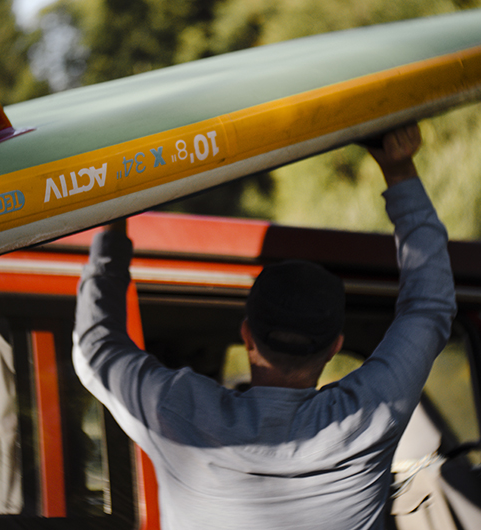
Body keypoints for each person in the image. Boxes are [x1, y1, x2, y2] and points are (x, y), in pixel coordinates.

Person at [73, 123, 456, 529]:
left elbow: (94, 347)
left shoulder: (177, 410)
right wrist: (399, 171)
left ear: (247, 337)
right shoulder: (370, 414)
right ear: (334, 347)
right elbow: (428, 308)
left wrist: (113, 218)